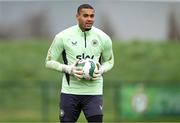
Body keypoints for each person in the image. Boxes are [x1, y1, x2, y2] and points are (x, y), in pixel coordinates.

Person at [45, 4, 114, 123]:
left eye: (92, 16)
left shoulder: (104, 38)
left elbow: (110, 61)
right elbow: (48, 62)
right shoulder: (63, 37)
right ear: (77, 16)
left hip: (94, 93)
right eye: (85, 15)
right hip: (70, 93)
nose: (89, 19)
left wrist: (101, 70)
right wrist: (68, 69)